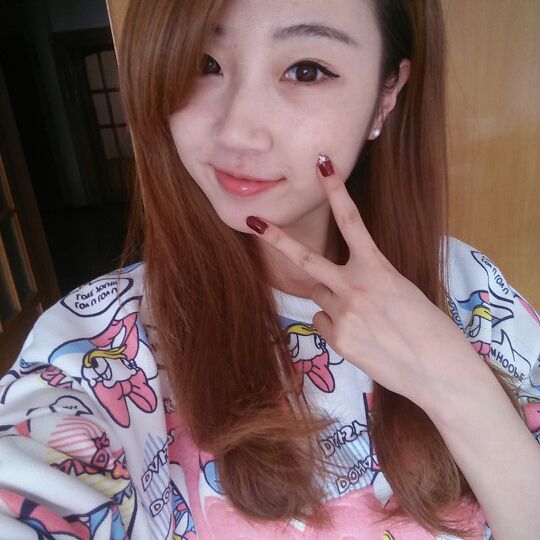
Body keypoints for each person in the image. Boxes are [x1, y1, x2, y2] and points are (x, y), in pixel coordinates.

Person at [0, 0, 538, 538]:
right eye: (204, 64)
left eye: (306, 70)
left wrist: (456, 384)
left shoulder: (470, 290)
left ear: (386, 93)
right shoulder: (104, 345)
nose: (238, 132)